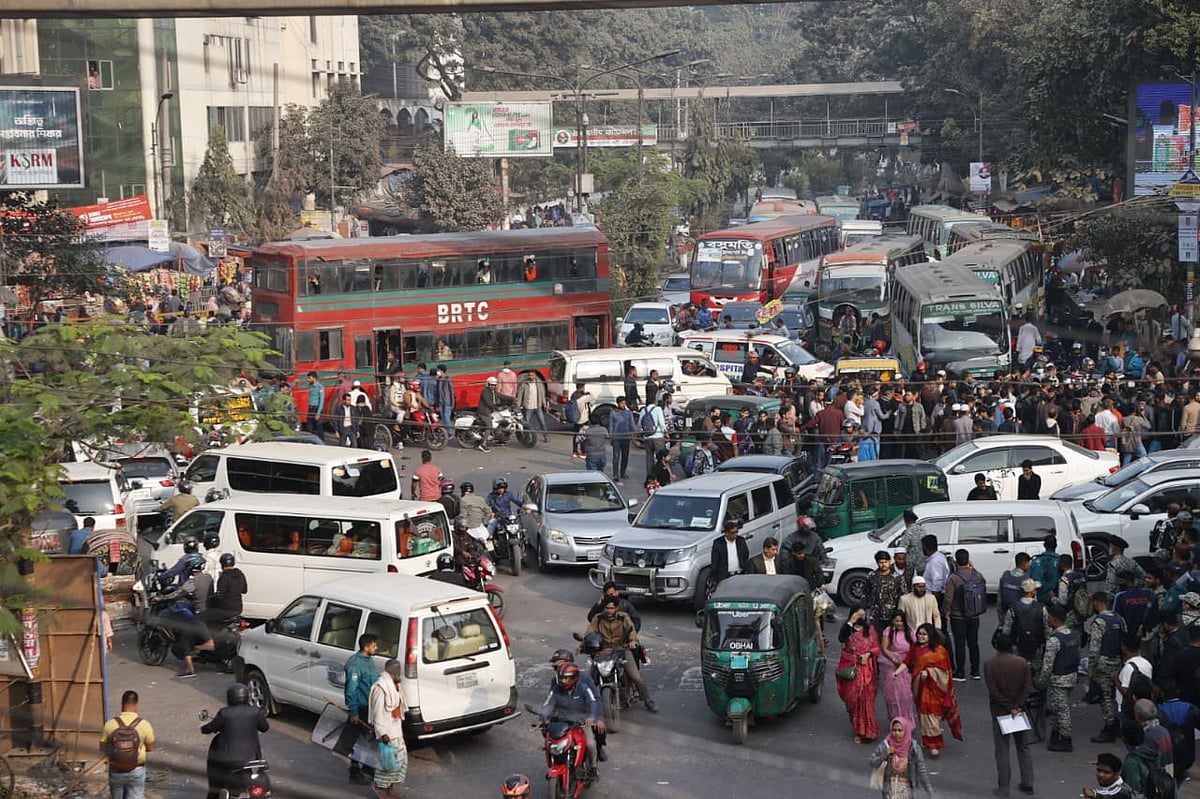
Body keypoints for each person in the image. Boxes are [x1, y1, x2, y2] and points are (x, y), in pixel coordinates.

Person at [984, 632, 1034, 797]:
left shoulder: (990, 665)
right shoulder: (1022, 663)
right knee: (1023, 747)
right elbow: (1027, 687)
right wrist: (1017, 705)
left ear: (996, 645)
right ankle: (1028, 783)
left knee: (1002, 750)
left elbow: (993, 691)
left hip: (1000, 712)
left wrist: (1008, 707)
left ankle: (1004, 787)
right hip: (1019, 712)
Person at [585, 596, 657, 712]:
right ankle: (588, 703)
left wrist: (632, 641)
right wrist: (583, 644)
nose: (609, 611)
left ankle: (648, 701)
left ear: (616, 608)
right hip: (604, 652)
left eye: (611, 608)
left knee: (637, 678)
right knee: (590, 678)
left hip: (622, 650)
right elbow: (589, 632)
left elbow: (631, 630)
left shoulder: (623, 617)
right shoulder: (597, 618)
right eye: (607, 608)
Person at [200, 682, 269, 799]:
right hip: (253, 759)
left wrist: (204, 728)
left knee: (216, 780)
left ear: (230, 697)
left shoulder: (225, 713)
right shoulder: (255, 711)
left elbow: (211, 727)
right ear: (247, 696)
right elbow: (265, 728)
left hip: (229, 761)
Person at [906, 623, 962, 757]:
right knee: (923, 716)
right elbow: (908, 663)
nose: (921, 637)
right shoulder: (915, 648)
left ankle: (935, 744)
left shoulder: (939, 651)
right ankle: (927, 741)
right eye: (919, 634)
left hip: (935, 689)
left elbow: (945, 673)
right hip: (920, 687)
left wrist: (930, 672)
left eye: (924, 634)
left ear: (930, 636)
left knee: (932, 716)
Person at [540, 662, 604, 778]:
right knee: (550, 743)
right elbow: (548, 704)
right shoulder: (556, 689)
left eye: (566, 678)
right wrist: (543, 718)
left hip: (581, 724)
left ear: (574, 678)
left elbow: (593, 702)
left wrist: (591, 716)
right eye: (561, 678)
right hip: (563, 724)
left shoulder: (583, 688)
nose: (563, 681)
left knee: (590, 744)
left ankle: (593, 768)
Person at [1036, 603, 1080, 752]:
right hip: (1071, 676)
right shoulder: (1073, 635)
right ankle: (1056, 734)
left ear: (1054, 620)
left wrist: (1040, 682)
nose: (1047, 620)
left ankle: (1066, 740)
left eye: (1048, 617)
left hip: (1058, 679)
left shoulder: (1054, 640)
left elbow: (1047, 665)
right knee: (1058, 707)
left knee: (1062, 711)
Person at [101, 689, 156, 799]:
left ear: (122, 704)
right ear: (136, 704)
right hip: (136, 770)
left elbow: (103, 747)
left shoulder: (110, 724)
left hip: (116, 770)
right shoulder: (145, 725)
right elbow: (150, 748)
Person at [837, 606, 881, 744]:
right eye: (858, 616)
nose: (861, 618)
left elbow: (876, 647)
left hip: (866, 669)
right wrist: (850, 622)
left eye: (864, 615)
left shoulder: (870, 630)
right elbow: (841, 639)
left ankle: (867, 731)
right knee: (853, 700)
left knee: (866, 700)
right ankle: (857, 730)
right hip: (851, 667)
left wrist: (868, 654)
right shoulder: (847, 629)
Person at [1088, 592, 1127, 743]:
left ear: (1097, 603)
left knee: (1105, 698)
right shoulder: (1119, 619)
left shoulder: (1099, 622)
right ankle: (1115, 725)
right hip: (1117, 662)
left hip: (1103, 664)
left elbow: (1094, 648)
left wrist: (1091, 669)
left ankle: (1110, 728)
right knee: (1114, 695)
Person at [943, 548, 986, 681]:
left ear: (956, 561)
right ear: (968, 559)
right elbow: (983, 583)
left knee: (959, 643)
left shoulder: (954, 578)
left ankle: (960, 672)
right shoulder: (976, 574)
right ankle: (975, 671)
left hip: (958, 616)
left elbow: (948, 598)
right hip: (974, 615)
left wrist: (946, 611)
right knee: (973, 643)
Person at [343, 634, 380, 785]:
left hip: (370, 707)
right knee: (356, 740)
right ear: (366, 647)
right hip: (360, 708)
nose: (376, 648)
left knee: (370, 738)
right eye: (374, 645)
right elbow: (351, 690)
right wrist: (354, 712)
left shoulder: (369, 661)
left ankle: (368, 767)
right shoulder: (355, 665)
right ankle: (354, 770)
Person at [368, 659, 408, 798]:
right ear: (392, 671)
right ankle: (380, 789)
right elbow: (377, 712)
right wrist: (382, 733)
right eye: (398, 670)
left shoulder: (395, 685)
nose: (400, 673)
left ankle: (390, 790)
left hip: (397, 729)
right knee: (389, 763)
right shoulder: (381, 687)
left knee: (401, 761)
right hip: (388, 731)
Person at [868, 717, 933, 799]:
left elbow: (921, 770)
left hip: (907, 791)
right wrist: (884, 756)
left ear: (905, 731)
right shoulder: (885, 746)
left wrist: (929, 790)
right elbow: (871, 762)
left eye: (900, 730)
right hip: (890, 790)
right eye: (894, 730)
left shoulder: (913, 748)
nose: (896, 733)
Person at [879, 611, 915, 724]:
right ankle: (895, 722)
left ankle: (907, 721)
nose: (899, 623)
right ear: (893, 621)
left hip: (906, 665)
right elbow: (884, 648)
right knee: (892, 696)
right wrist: (894, 660)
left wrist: (906, 662)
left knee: (905, 695)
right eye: (896, 621)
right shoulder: (888, 631)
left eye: (901, 621)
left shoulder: (910, 632)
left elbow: (915, 649)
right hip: (890, 664)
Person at [867, 551, 907, 636]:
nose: (883, 564)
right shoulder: (871, 576)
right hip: (876, 615)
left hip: (892, 615)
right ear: (877, 563)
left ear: (890, 561)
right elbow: (866, 593)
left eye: (886, 562)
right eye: (881, 562)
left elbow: (903, 597)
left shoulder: (898, 578)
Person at [709, 519, 750, 589]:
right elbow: (715, 562)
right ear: (727, 533)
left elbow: (746, 555)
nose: (736, 534)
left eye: (737, 532)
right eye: (733, 532)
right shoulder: (718, 543)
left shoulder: (741, 541)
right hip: (725, 577)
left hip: (740, 574)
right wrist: (714, 578)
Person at [516, 372, 550, 445]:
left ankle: (546, 436)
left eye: (532, 375)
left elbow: (542, 394)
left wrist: (544, 404)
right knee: (526, 423)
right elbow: (520, 395)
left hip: (537, 407)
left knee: (542, 422)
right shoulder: (524, 384)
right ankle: (527, 437)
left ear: (535, 376)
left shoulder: (539, 384)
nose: (530, 376)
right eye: (529, 375)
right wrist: (518, 406)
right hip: (528, 407)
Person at [607, 396, 635, 482]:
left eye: (624, 403)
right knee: (616, 457)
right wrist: (611, 437)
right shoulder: (613, 413)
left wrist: (635, 433)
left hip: (626, 438)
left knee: (625, 456)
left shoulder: (628, 413)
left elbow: (632, 424)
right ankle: (615, 474)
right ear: (618, 404)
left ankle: (623, 472)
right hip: (616, 438)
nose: (624, 405)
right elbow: (611, 426)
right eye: (622, 403)